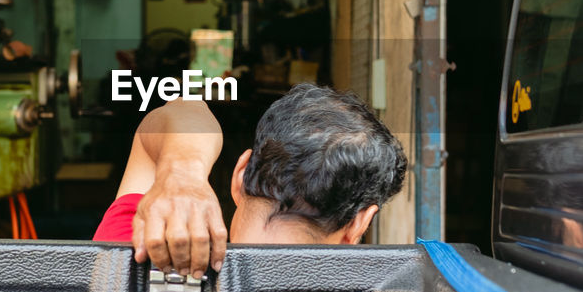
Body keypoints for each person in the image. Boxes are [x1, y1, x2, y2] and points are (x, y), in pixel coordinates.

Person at [93, 83, 407, 278]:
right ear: (359, 225)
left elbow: (184, 107)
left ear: (240, 175)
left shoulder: (134, 253)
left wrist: (183, 173)